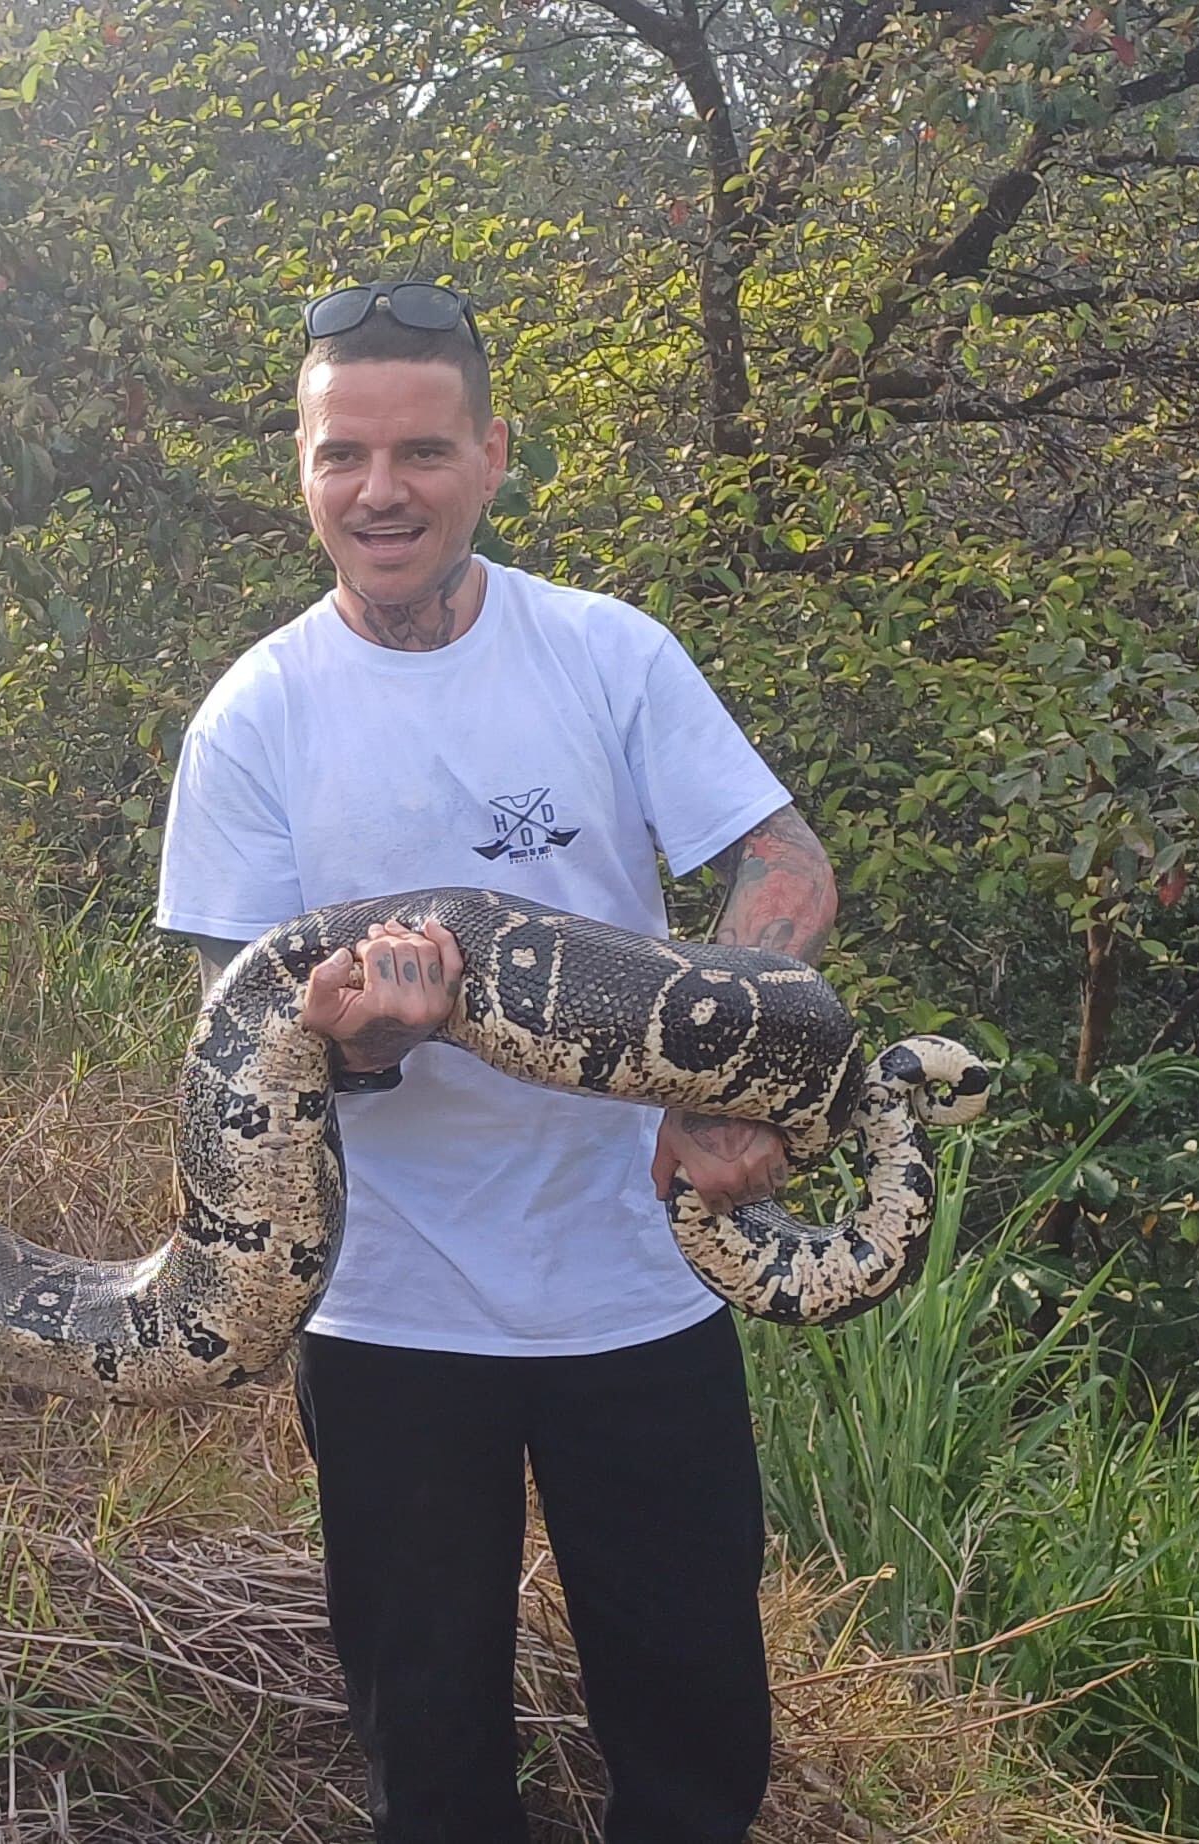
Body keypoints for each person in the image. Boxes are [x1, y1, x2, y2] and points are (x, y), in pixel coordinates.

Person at [154, 281, 841, 1843]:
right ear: (303, 471)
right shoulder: (253, 718)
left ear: (493, 456)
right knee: (434, 1751)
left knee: (695, 1731)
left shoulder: (608, 655)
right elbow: (236, 1033)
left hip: (637, 1285)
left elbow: (783, 862)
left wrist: (725, 1077)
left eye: (420, 451)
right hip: (391, 1312)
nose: (379, 491)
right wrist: (358, 1042)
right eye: (343, 456)